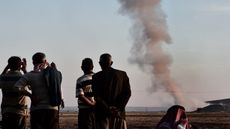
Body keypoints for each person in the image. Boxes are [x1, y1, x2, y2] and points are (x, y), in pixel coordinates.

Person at [15, 52, 63, 129]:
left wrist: (30, 95)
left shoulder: (30, 75)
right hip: (52, 110)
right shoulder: (54, 74)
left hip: (37, 109)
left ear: (33, 62)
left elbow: (17, 87)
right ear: (45, 61)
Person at [92, 53, 131, 129]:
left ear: (100, 63)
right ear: (111, 63)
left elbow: (97, 96)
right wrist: (118, 109)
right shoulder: (122, 75)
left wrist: (108, 108)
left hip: (102, 115)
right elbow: (127, 93)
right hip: (119, 115)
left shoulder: (96, 77)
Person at [0, 56, 28, 129]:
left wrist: (6, 68)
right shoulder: (23, 78)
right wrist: (25, 70)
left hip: (6, 111)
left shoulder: (3, 77)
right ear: (20, 65)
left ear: (9, 65)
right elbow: (31, 86)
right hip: (19, 112)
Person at [76, 58, 96, 129]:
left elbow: (80, 96)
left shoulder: (80, 80)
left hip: (84, 111)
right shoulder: (99, 78)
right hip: (97, 110)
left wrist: (91, 104)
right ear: (93, 67)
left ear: (82, 68)